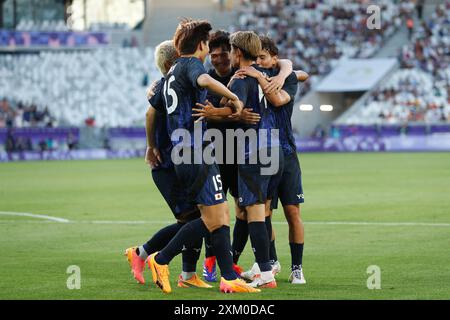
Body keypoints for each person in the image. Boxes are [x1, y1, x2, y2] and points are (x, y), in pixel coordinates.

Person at [146, 19, 259, 294]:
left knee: (220, 214)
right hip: (195, 152)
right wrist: (234, 97)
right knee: (212, 218)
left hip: (186, 153)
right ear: (200, 45)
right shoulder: (190, 64)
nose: (208, 50)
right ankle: (160, 259)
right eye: (207, 44)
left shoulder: (171, 73)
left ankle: (229, 277)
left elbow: (154, 105)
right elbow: (205, 79)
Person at [124, 40, 211, 290]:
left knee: (192, 221)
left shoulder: (170, 85)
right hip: (166, 166)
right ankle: (150, 257)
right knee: (196, 219)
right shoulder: (164, 87)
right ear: (174, 62)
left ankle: (180, 271)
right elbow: (150, 114)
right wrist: (151, 147)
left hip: (179, 162)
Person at [237, 35, 308, 284]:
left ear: (274, 59)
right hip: (264, 152)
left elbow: (280, 96)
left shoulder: (283, 78)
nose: (259, 62)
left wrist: (277, 72)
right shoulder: (257, 77)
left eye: (263, 58)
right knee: (263, 212)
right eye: (256, 58)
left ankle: (297, 267)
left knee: (292, 211)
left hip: (286, 153)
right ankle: (271, 262)